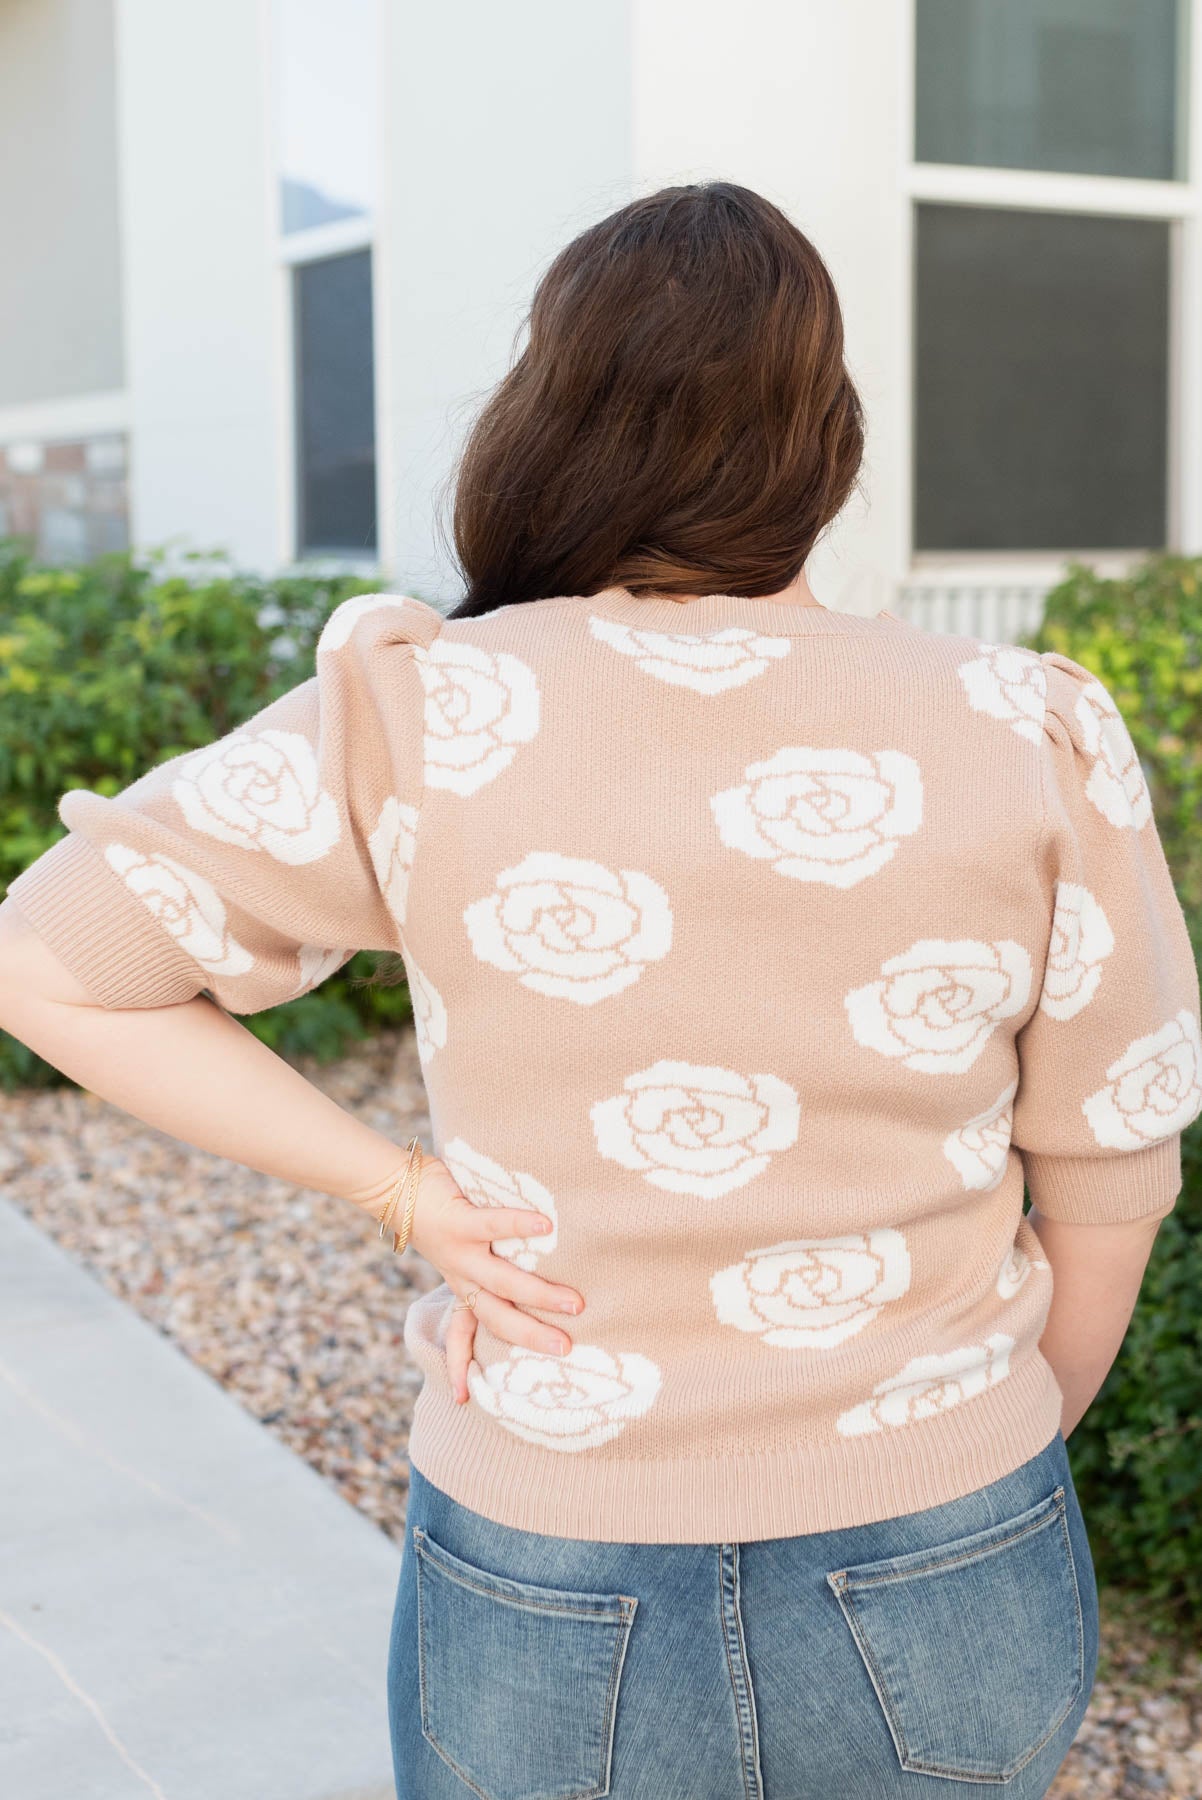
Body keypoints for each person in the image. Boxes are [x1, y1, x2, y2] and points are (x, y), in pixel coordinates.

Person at [1, 181, 1198, 1800]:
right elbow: (1112, 1169)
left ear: (544, 416)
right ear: (826, 439)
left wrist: (398, 1192)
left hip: (553, 1554)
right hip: (946, 1540)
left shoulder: (425, 714)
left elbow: (52, 962)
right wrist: (972, 1449)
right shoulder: (1022, 726)